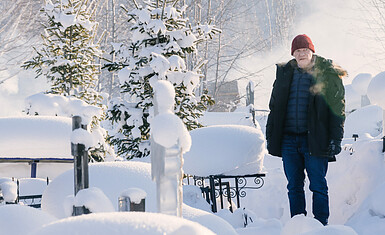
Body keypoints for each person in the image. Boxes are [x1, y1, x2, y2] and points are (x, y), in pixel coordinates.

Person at [266, 34, 347, 225]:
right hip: (288, 140)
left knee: (318, 185)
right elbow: (274, 107)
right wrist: (271, 136)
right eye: (298, 51)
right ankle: (298, 225)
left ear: (312, 52)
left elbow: (338, 109)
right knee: (294, 186)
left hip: (315, 139)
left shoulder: (327, 74)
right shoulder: (285, 75)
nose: (301, 54)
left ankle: (321, 225)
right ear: (293, 53)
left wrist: (336, 139)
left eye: (305, 50)